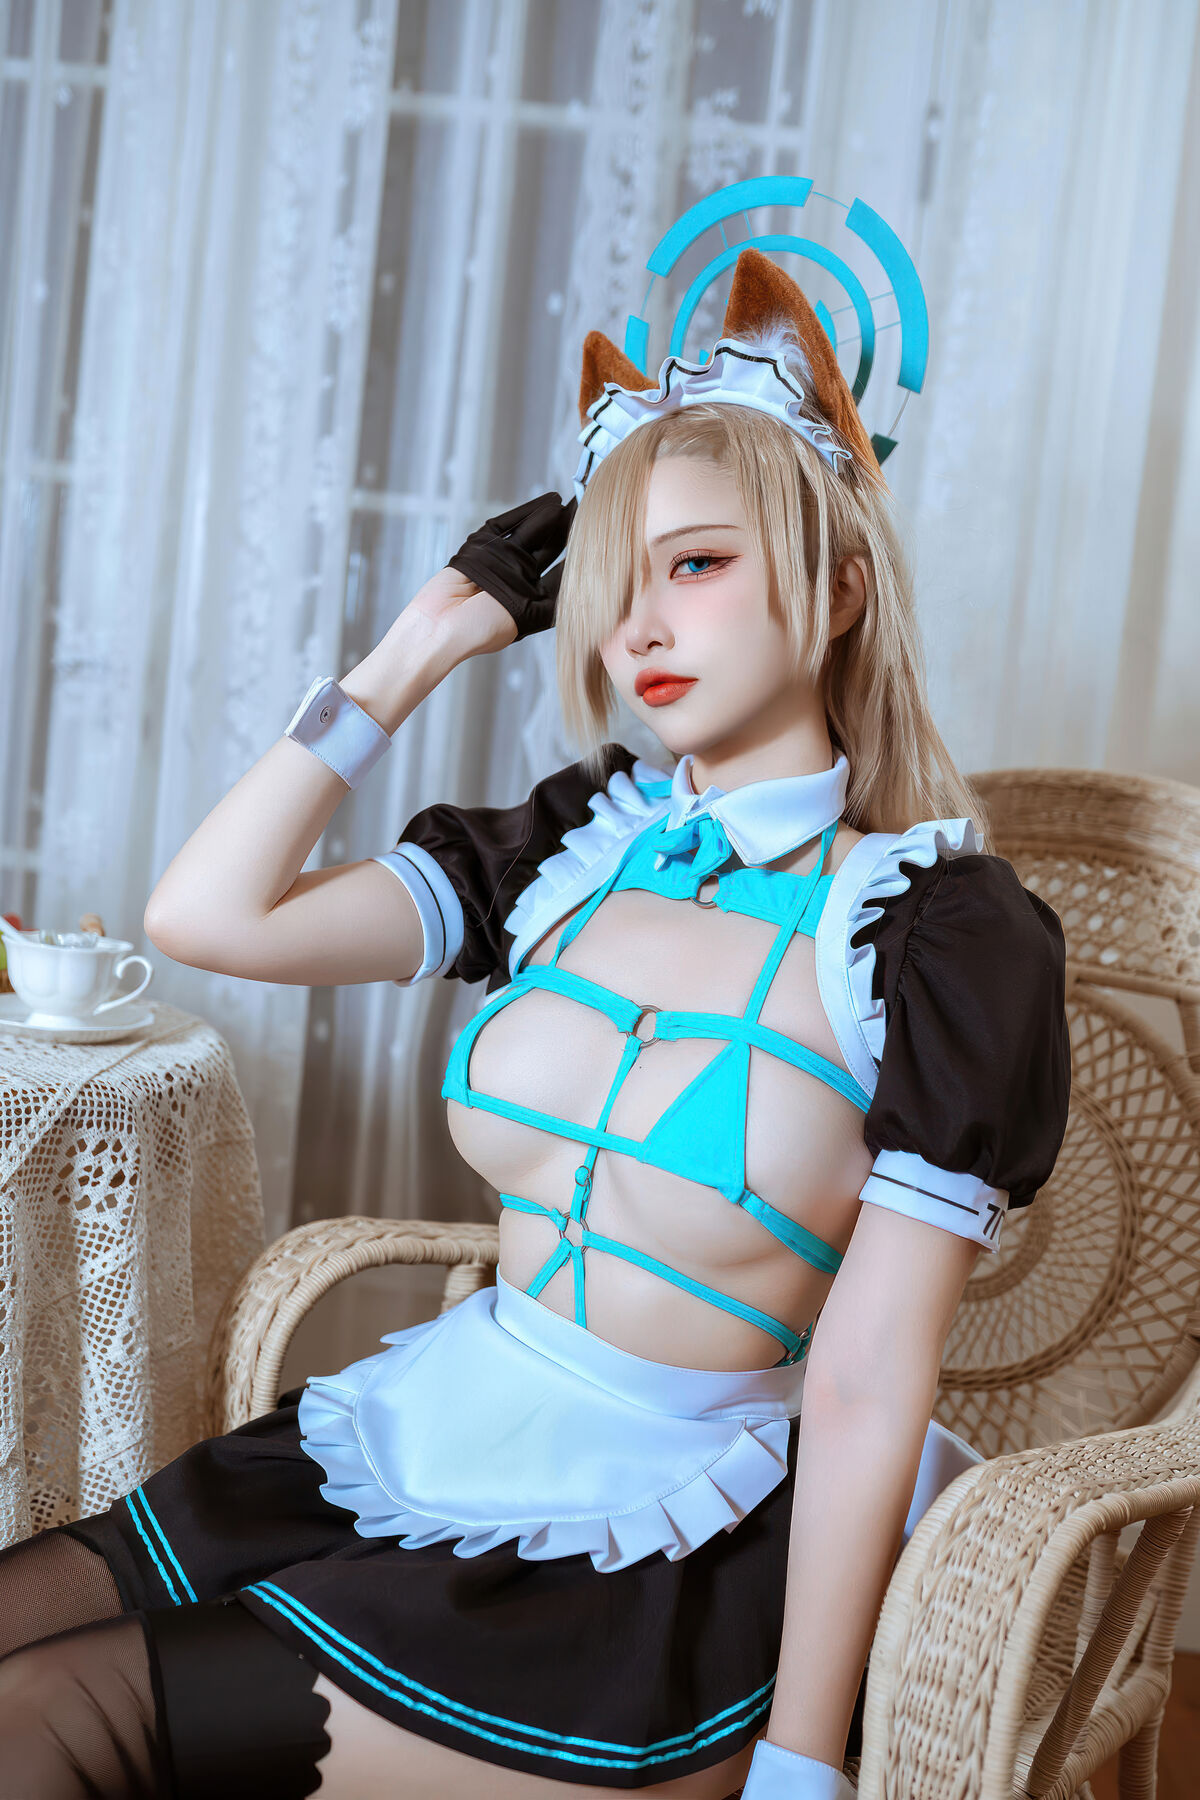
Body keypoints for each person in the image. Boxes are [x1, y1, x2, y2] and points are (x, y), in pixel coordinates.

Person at [0, 249, 1070, 1799]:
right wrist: (424, 640)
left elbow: (865, 1381)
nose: (640, 625)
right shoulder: (576, 846)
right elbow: (209, 917)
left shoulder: (941, 935)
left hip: (649, 1560)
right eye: (614, 580)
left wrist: (802, 1763)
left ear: (840, 589)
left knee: (38, 1720)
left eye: (695, 564)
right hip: (421, 1432)